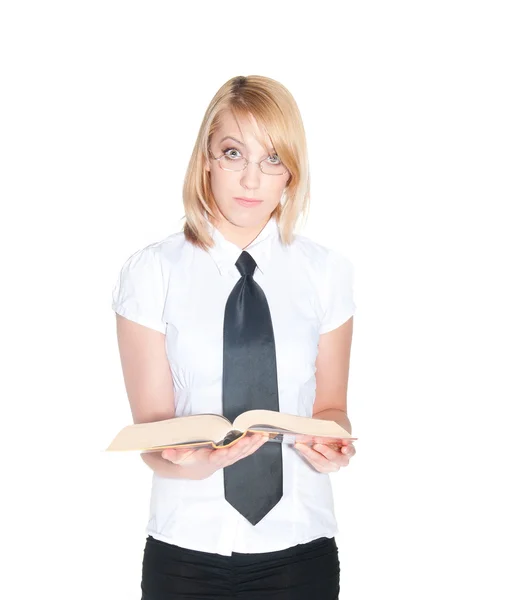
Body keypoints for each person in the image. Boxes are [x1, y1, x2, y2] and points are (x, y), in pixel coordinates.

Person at [112, 74, 357, 600]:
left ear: (291, 172)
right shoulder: (151, 272)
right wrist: (190, 457)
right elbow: (151, 433)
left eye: (272, 159)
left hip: (300, 549)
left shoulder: (326, 273)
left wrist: (332, 441)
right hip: (185, 554)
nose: (251, 179)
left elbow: (332, 406)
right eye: (232, 153)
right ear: (205, 159)